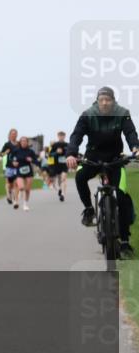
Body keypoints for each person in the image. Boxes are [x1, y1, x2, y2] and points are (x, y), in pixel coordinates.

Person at [67, 87, 139, 256]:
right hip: (93, 157)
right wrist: (71, 153)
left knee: (121, 197)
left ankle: (125, 241)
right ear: (97, 101)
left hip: (115, 158)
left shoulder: (122, 113)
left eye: (108, 100)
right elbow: (76, 135)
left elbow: (130, 132)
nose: (105, 103)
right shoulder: (87, 114)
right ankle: (89, 209)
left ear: (113, 101)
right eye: (102, 100)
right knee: (80, 177)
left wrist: (135, 148)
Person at [9, 136, 38, 210]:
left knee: (27, 189)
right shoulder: (16, 151)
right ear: (20, 142)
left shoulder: (30, 151)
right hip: (19, 171)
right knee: (21, 187)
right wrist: (13, 162)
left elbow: (36, 161)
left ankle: (25, 204)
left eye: (25, 141)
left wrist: (31, 160)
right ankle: (16, 200)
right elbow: (11, 158)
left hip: (29, 172)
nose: (23, 142)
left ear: (27, 142)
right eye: (22, 141)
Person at [49, 131, 70, 202]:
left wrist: (66, 152)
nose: (61, 137)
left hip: (64, 164)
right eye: (60, 136)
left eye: (63, 136)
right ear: (58, 136)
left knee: (63, 178)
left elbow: (70, 153)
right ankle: (60, 190)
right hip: (56, 165)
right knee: (58, 181)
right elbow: (50, 155)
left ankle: (63, 194)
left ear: (65, 136)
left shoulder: (67, 144)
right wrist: (56, 152)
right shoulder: (55, 145)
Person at [0, 129, 19, 205]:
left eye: (15, 134)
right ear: (10, 135)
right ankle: (8, 195)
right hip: (9, 166)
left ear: (17, 135)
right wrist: (5, 152)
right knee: (8, 183)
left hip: (17, 166)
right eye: (12, 134)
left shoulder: (19, 144)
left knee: (15, 183)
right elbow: (1, 155)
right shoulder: (7, 144)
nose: (14, 135)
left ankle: (15, 198)